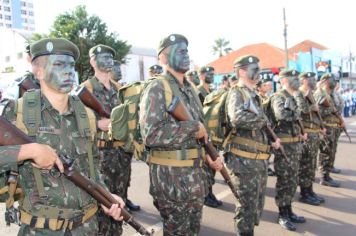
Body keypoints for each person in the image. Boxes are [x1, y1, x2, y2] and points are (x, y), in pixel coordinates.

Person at [0, 38, 123, 235]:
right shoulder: (17, 112)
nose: (68, 71)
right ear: (38, 71)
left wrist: (106, 198)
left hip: (88, 228)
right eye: (58, 64)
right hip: (41, 230)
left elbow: (92, 170)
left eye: (71, 65)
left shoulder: (85, 115)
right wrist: (27, 151)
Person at [139, 33, 223, 235]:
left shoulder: (190, 89)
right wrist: (192, 128)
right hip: (172, 181)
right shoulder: (157, 87)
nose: (186, 55)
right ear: (164, 58)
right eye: (180, 51)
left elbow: (201, 132)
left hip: (195, 177)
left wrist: (210, 156)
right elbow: (150, 134)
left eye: (187, 51)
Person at [80, 44, 137, 236]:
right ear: (93, 61)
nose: (108, 60)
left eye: (110, 57)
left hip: (121, 155)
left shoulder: (120, 89)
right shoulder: (84, 90)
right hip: (99, 156)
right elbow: (73, 124)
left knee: (119, 203)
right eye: (103, 57)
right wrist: (96, 124)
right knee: (100, 205)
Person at [225, 55, 281, 236]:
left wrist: (271, 140)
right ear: (241, 71)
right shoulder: (237, 92)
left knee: (256, 206)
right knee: (246, 207)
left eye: (258, 68)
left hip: (258, 161)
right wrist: (261, 120)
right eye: (253, 68)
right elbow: (237, 118)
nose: (258, 71)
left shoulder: (254, 94)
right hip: (243, 162)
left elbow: (260, 127)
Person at [271, 69, 307, 231]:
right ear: (284, 80)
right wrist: (296, 113)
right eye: (293, 77)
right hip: (284, 147)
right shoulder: (278, 97)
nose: (297, 80)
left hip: (295, 145)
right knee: (285, 180)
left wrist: (296, 112)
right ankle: (282, 214)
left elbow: (298, 114)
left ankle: (289, 210)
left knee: (292, 180)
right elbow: (281, 115)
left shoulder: (292, 97)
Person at [295, 72, 326, 206]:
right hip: (306, 133)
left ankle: (310, 190)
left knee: (312, 164)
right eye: (311, 79)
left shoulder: (310, 93)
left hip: (314, 133)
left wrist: (320, 127)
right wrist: (312, 107)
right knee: (306, 165)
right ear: (304, 80)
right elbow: (299, 111)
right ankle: (304, 193)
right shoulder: (299, 93)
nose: (314, 81)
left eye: (314, 78)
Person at [314, 73, 342, 187]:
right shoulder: (320, 93)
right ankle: (324, 177)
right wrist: (331, 110)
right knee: (325, 152)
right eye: (332, 80)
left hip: (333, 127)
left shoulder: (331, 94)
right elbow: (318, 112)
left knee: (331, 151)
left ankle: (327, 174)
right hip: (326, 127)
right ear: (325, 81)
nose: (334, 82)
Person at [256, 77, 275, 176]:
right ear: (258, 88)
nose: (266, 87)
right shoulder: (258, 98)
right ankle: (264, 167)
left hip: (269, 127)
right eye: (263, 85)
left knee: (268, 149)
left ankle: (267, 167)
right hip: (263, 127)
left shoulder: (266, 98)